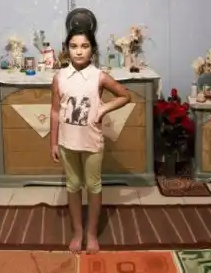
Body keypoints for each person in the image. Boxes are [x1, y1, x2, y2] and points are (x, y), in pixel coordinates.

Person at [49, 27, 131, 254]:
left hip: (92, 142)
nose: (78, 51)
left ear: (92, 49)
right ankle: (78, 232)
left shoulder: (99, 76)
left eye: (84, 46)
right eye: (73, 46)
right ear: (67, 49)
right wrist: (53, 142)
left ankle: (92, 233)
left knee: (93, 186)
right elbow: (55, 111)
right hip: (67, 143)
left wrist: (104, 108)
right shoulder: (59, 77)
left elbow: (125, 95)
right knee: (73, 185)